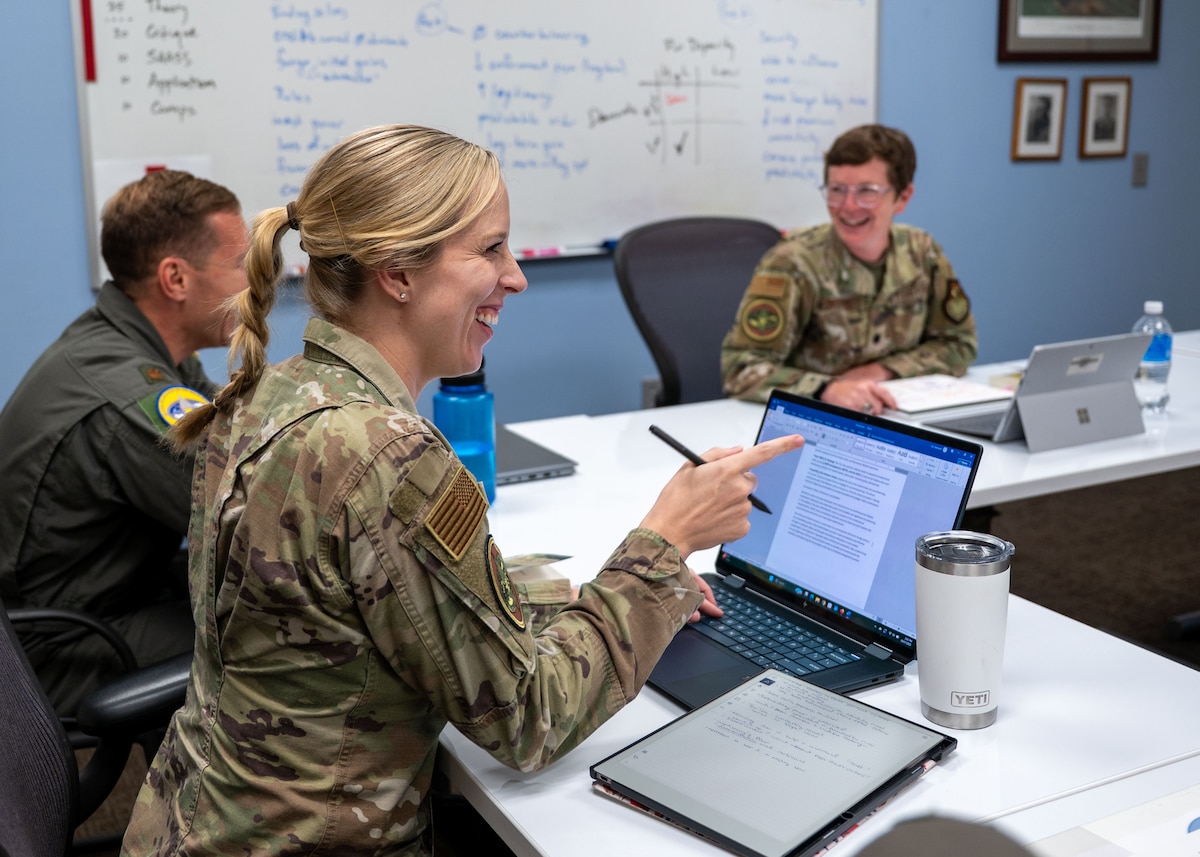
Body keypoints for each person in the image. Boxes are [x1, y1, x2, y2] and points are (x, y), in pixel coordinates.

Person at [120, 124, 802, 855]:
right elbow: (530, 720)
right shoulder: (386, 453)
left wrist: (583, 593)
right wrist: (667, 545)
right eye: (490, 249)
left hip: (188, 825)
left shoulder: (271, 392)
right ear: (397, 271)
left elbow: (358, 598)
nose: (516, 276)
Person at [0, 169, 249, 716]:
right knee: (279, 644)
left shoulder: (140, 345)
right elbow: (247, 508)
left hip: (106, 595)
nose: (254, 283)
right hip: (56, 644)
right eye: (239, 265)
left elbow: (241, 434)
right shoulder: (124, 393)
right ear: (175, 279)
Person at [720, 124, 977, 414]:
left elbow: (958, 344)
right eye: (837, 190)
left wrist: (882, 371)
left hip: (894, 413)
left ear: (903, 197)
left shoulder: (922, 252)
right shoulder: (794, 262)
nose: (848, 206)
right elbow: (740, 369)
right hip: (810, 424)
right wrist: (825, 388)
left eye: (867, 192)